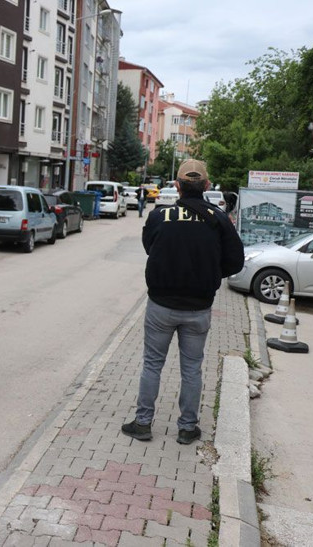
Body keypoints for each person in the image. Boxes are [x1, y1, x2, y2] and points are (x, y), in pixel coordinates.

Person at [121, 159, 244, 445]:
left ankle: (142, 423)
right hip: (198, 307)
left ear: (177, 186)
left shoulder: (159, 215)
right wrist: (212, 272)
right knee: (192, 368)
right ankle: (188, 428)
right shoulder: (218, 219)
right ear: (207, 186)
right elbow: (235, 261)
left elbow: (150, 247)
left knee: (152, 364)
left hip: (161, 305)